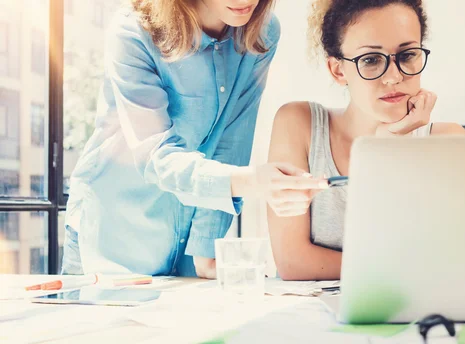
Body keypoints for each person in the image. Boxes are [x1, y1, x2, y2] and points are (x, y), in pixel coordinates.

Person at [62, 0, 329, 278]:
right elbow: (157, 158)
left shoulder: (261, 33)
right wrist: (253, 181)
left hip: (188, 251)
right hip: (114, 237)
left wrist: (205, 249)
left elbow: (232, 141)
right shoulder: (133, 31)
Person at [267, 0, 465, 281]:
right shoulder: (299, 123)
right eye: (371, 60)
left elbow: (450, 263)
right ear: (338, 71)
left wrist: (390, 145)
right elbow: (293, 262)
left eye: (408, 55)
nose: (394, 77)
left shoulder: (447, 142)